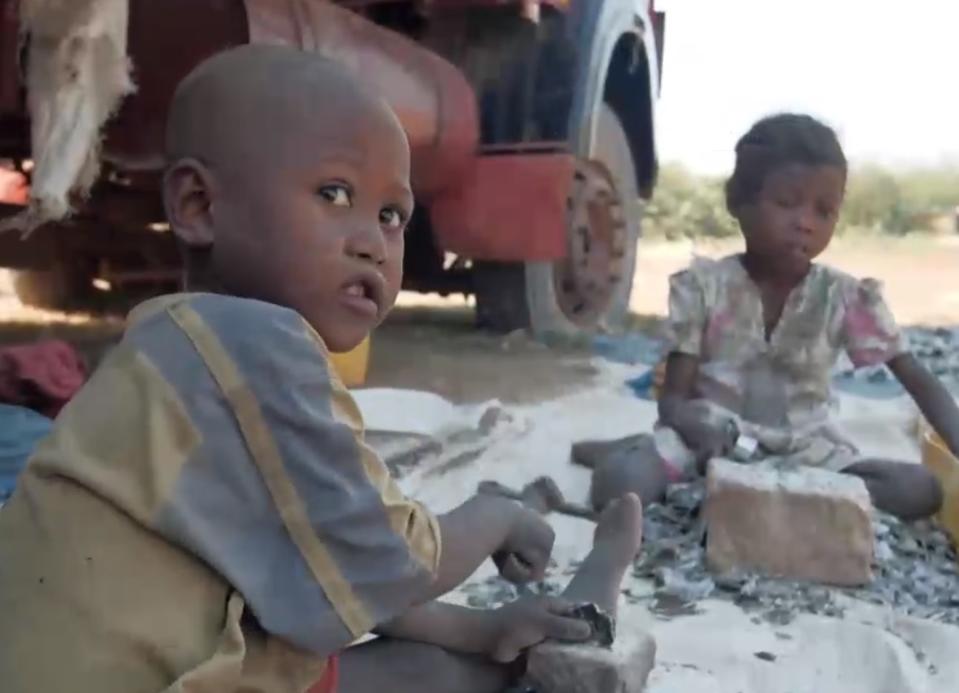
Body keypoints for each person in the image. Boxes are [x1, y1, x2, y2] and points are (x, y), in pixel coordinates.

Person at [0, 46, 643, 693]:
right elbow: (392, 560)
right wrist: (494, 515)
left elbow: (317, 563)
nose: (371, 240)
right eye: (334, 193)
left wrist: (476, 626)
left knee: (431, 659)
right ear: (199, 205)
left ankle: (519, 631)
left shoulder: (174, 339)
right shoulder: (259, 345)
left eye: (392, 215)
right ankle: (589, 599)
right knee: (434, 675)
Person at [578, 113, 957, 522]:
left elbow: (918, 379)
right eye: (787, 203)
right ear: (738, 203)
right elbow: (672, 401)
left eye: (824, 210)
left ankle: (757, 495)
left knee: (920, 490)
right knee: (621, 488)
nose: (805, 223)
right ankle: (630, 450)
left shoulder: (847, 298)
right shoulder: (704, 287)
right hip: (711, 442)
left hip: (807, 452)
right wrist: (689, 424)